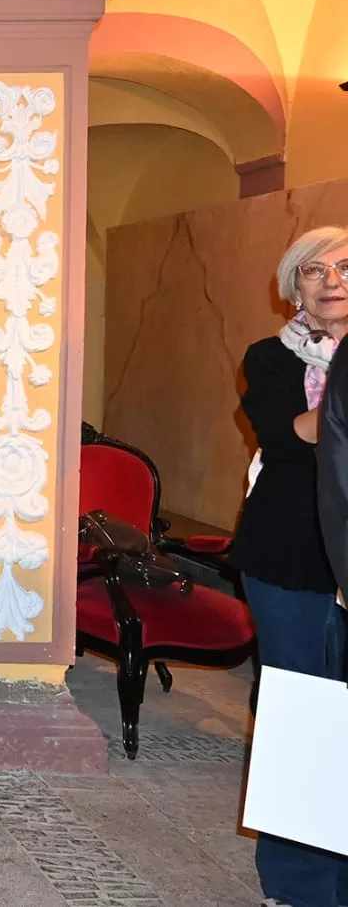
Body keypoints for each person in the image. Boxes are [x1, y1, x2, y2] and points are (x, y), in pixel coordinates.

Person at [243, 228, 348, 904]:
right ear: (294, 286)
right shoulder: (270, 358)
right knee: (302, 720)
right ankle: (303, 885)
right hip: (291, 560)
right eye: (314, 270)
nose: (331, 280)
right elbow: (287, 436)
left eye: (345, 267)